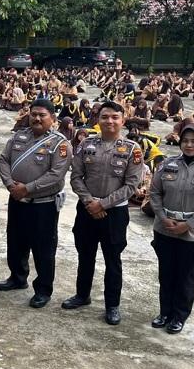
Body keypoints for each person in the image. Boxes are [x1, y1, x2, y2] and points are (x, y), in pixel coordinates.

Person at [62, 101, 145, 325]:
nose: (109, 121)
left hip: (114, 214)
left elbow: (131, 185)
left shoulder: (131, 149)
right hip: (87, 209)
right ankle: (82, 295)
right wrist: (90, 202)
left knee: (113, 259)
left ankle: (112, 306)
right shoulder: (86, 144)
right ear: (97, 119)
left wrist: (104, 204)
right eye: (105, 116)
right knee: (85, 254)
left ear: (123, 120)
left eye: (114, 117)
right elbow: (76, 177)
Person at [0, 99, 72, 306]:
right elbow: (4, 160)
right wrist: (11, 185)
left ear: (53, 119)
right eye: (33, 114)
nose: (37, 118)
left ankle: (43, 290)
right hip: (17, 200)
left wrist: (27, 188)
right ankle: (17, 277)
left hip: (43, 205)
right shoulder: (19, 136)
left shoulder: (60, 143)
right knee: (15, 241)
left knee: (43, 248)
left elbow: (56, 174)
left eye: (42, 115)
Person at [149, 124, 194, 334]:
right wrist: (163, 218)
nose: (189, 145)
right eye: (185, 140)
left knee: (186, 276)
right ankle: (165, 313)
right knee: (166, 273)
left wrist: (188, 225)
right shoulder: (167, 164)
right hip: (166, 229)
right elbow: (155, 193)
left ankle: (179, 316)